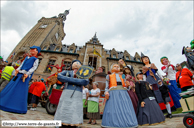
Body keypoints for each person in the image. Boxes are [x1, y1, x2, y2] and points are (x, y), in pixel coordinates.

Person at [0, 45, 41, 114]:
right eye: (31, 49)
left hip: (24, 76)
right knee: (11, 87)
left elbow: (34, 67)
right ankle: (4, 101)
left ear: (37, 51)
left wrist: (28, 73)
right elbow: (21, 65)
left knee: (20, 90)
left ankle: (16, 106)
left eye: (34, 49)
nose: (31, 51)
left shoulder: (36, 59)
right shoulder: (27, 58)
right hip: (19, 74)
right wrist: (17, 70)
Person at [54, 60, 89, 128]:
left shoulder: (83, 74)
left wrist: (68, 80)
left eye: (79, 64)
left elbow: (85, 81)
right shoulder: (67, 72)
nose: (77, 65)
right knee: (64, 107)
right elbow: (59, 76)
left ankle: (75, 122)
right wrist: (77, 81)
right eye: (75, 63)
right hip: (67, 92)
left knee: (75, 108)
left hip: (77, 94)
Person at [101, 64, 138, 128]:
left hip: (123, 92)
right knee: (113, 108)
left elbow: (126, 85)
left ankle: (127, 122)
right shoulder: (109, 76)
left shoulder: (123, 76)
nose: (117, 67)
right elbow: (107, 86)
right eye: (115, 66)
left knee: (125, 107)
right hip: (113, 93)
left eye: (118, 67)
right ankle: (112, 123)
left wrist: (128, 85)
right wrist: (106, 92)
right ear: (111, 68)